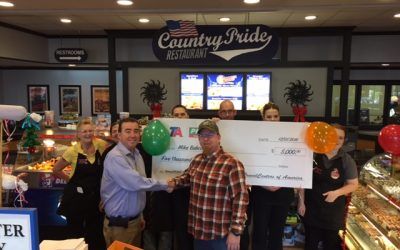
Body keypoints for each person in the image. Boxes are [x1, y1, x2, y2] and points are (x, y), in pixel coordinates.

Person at [170, 120, 249, 250]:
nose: (205, 139)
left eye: (210, 134)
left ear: (219, 137)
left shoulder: (232, 164)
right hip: (199, 232)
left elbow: (240, 199)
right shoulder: (197, 160)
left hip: (221, 236)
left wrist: (235, 232)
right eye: (202, 135)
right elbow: (187, 178)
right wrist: (173, 183)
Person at [101, 118, 172, 247]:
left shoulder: (137, 154)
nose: (133, 135)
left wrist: (139, 216)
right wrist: (166, 184)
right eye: (128, 131)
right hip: (120, 226)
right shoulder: (115, 157)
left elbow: (138, 190)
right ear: (119, 135)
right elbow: (136, 183)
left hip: (134, 223)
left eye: (136, 131)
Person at [298, 124, 358, 250]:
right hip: (312, 208)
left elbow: (353, 184)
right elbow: (302, 179)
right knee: (310, 244)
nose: (337, 140)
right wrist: (301, 202)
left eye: (340, 138)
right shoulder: (313, 154)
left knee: (330, 245)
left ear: (344, 140)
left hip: (333, 212)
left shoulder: (347, 160)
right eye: (334, 136)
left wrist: (336, 193)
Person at [53, 117, 108, 250]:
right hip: (76, 198)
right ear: (78, 134)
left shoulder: (100, 145)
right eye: (84, 132)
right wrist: (72, 182)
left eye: (90, 131)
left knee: (95, 233)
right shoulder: (72, 151)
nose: (88, 134)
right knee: (75, 232)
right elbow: (56, 169)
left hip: (95, 197)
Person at [252, 102, 295, 250]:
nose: (272, 119)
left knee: (277, 233)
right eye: (269, 116)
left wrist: (282, 182)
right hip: (261, 193)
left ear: (279, 117)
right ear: (263, 118)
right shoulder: (254, 136)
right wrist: (263, 184)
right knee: (259, 232)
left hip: (283, 192)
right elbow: (251, 163)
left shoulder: (290, 135)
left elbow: (294, 163)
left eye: (275, 116)